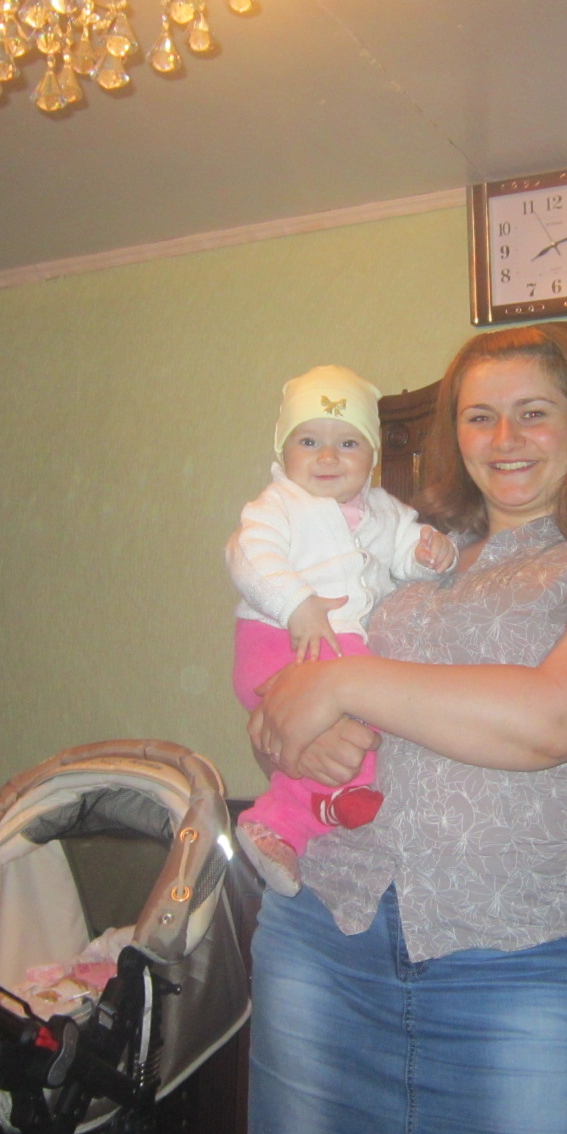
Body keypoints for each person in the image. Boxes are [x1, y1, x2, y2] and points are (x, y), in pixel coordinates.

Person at [244, 324, 567, 1134]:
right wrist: (293, 737)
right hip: (327, 935)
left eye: (533, 413)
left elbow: (552, 719)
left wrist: (343, 685)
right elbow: (283, 698)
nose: (504, 439)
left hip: (525, 958)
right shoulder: (404, 560)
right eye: (479, 417)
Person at [228, 363, 456, 896]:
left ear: (372, 457)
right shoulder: (277, 505)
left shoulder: (384, 511)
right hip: (278, 641)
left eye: (348, 443)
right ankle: (297, 810)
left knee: (360, 725)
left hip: (333, 651)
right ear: (284, 451)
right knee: (377, 692)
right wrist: (297, 605)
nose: (328, 457)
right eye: (309, 441)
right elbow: (249, 558)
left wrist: (431, 555)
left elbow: (407, 552)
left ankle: (300, 818)